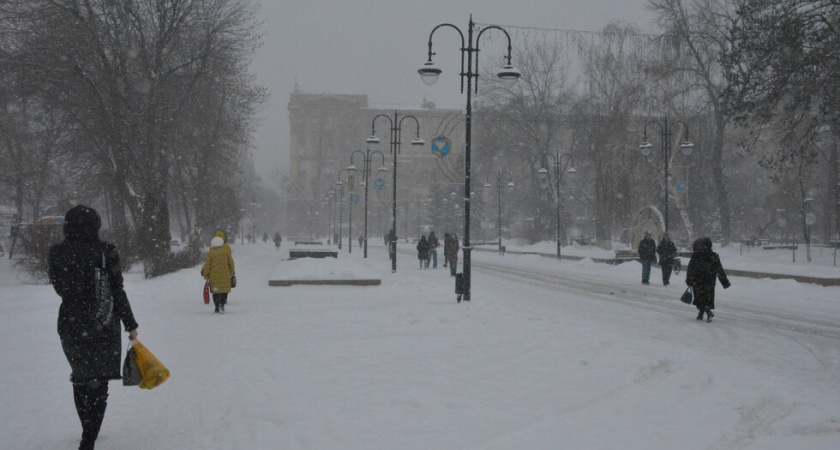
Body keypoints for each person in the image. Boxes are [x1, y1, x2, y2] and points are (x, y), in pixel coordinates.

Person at [48, 205, 139, 450]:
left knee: (81, 379)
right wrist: (130, 324)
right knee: (99, 381)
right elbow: (117, 289)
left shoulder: (56, 253)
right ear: (95, 226)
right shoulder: (106, 251)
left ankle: (87, 431)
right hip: (103, 321)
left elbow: (58, 288)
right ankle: (90, 435)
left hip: (70, 323)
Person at [686, 236, 731, 322]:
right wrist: (724, 281)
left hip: (699, 280)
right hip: (707, 280)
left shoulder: (699, 256)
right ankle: (704, 311)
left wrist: (689, 278)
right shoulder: (711, 256)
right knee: (705, 297)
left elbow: (691, 268)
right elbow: (719, 269)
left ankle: (704, 311)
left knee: (701, 297)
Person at [202, 230, 236, 313]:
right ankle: (222, 304)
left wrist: (205, 275)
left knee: (215, 292)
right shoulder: (226, 250)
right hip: (225, 274)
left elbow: (207, 265)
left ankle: (217, 306)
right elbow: (231, 262)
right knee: (224, 291)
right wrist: (232, 272)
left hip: (214, 275)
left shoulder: (211, 251)